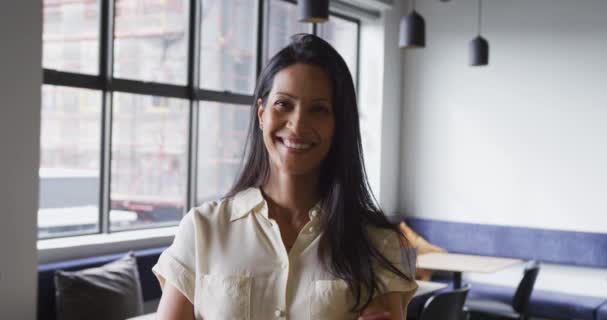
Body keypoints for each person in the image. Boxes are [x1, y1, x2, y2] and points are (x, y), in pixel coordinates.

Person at [152, 33, 417, 320]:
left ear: (338, 125)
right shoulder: (202, 229)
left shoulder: (377, 243)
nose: (298, 124)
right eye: (284, 104)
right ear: (262, 113)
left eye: (319, 109)